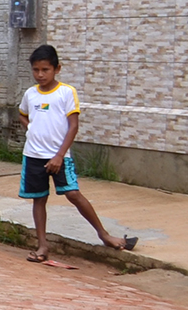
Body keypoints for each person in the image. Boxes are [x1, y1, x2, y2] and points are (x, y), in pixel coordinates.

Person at [18, 45, 136, 262]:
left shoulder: (66, 92)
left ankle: (104, 234)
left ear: (57, 69)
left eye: (45, 70)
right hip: (33, 156)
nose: (40, 75)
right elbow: (22, 114)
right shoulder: (30, 93)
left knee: (73, 194)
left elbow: (73, 126)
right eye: (36, 70)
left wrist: (59, 155)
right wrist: (31, 129)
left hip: (59, 156)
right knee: (39, 199)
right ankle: (42, 246)